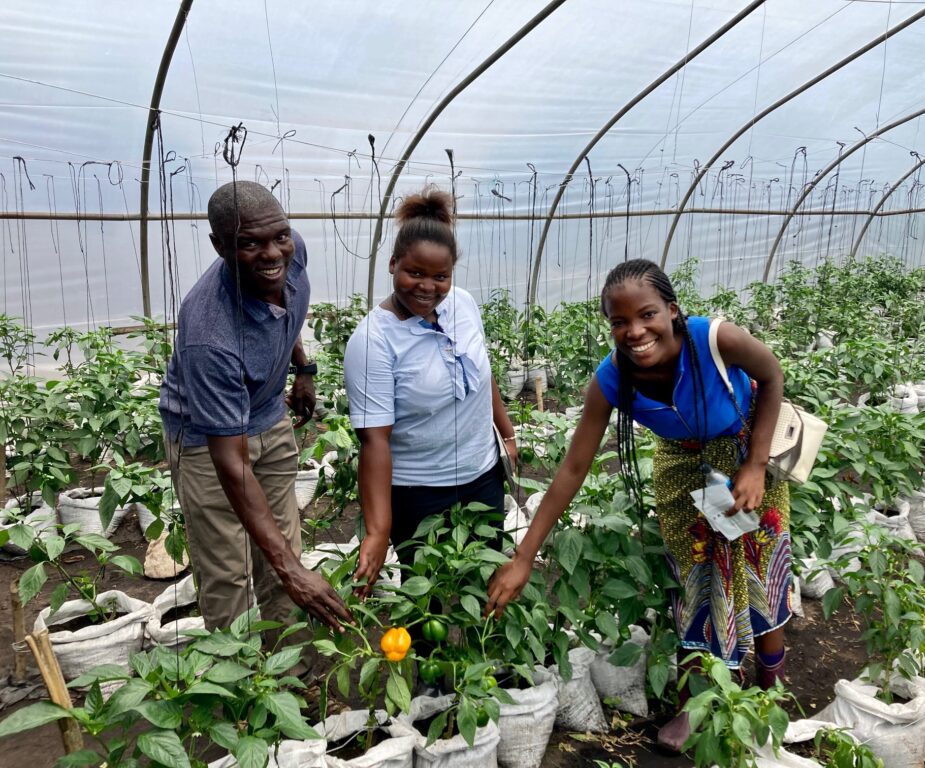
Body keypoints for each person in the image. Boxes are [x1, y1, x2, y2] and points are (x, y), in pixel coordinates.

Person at [485, 258, 792, 752]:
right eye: (619, 322)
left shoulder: (715, 339)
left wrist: (755, 464)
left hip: (743, 459)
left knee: (760, 575)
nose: (634, 331)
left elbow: (773, 376)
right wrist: (524, 557)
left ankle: (769, 685)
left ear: (671, 310)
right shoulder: (611, 379)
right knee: (692, 587)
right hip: (684, 474)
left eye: (646, 315)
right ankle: (700, 703)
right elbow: (570, 470)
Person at [159, 180, 349, 653]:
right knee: (228, 570)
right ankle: (243, 690)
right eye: (249, 243)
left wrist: (302, 366)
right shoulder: (209, 332)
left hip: (269, 416)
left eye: (279, 236)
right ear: (220, 246)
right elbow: (232, 464)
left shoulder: (290, 251)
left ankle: (289, 668)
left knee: (285, 546)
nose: (272, 254)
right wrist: (292, 573)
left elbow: (284, 310)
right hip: (208, 443)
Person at [344, 188, 517, 591]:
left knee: (486, 582)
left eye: (440, 276)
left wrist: (506, 435)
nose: (428, 286)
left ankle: (484, 650)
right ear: (392, 265)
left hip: (482, 475)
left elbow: (481, 374)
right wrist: (377, 530)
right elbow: (374, 441)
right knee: (426, 599)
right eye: (415, 273)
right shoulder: (373, 342)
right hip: (419, 492)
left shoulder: (464, 304)